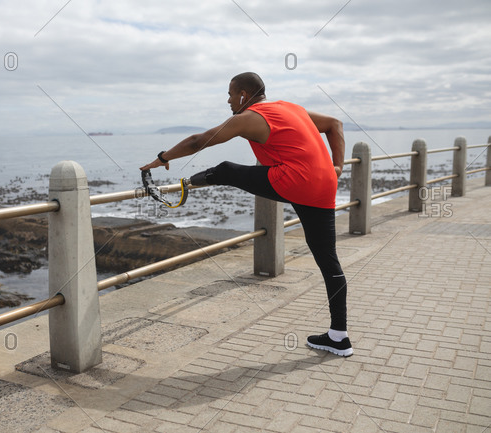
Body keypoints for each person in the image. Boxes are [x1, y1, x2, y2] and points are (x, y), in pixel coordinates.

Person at [140, 72, 353, 357]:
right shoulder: (292, 108)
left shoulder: (249, 117)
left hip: (295, 181)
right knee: (329, 261)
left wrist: (162, 158)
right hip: (324, 185)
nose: (228, 101)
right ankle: (339, 337)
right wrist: (336, 166)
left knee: (228, 169)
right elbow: (334, 124)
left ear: (243, 95)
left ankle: (189, 183)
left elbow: (199, 140)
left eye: (230, 94)